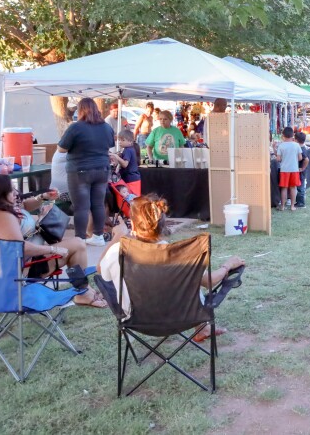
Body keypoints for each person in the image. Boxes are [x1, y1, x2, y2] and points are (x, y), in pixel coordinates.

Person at [98, 194, 244, 338]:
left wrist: (117, 238)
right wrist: (228, 265)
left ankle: (202, 329)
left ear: (133, 224)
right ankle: (202, 327)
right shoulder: (177, 253)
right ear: (162, 224)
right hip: (184, 316)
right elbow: (208, 282)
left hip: (136, 319)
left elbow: (100, 270)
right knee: (186, 280)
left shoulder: (117, 251)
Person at [0, 174, 107, 308]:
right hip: (20, 273)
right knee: (78, 244)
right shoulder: (2, 217)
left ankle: (85, 290)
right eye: (11, 190)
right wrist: (53, 249)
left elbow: (24, 206)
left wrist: (42, 197)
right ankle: (84, 293)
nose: (16, 193)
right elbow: (20, 247)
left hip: (9, 269)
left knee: (74, 243)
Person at [58, 98, 115, 247]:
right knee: (98, 204)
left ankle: (80, 240)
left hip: (80, 171)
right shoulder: (106, 127)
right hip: (102, 170)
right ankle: (98, 236)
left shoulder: (76, 127)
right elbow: (110, 144)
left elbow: (61, 149)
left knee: (81, 207)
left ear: (80, 110)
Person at [276, 126, 303, 211]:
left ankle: (282, 206)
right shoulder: (296, 145)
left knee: (284, 188)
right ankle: (292, 206)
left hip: (284, 170)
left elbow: (278, 159)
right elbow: (300, 158)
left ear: (283, 135)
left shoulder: (281, 146)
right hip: (294, 169)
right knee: (293, 187)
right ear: (292, 135)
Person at [109, 129, 141, 196]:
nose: (120, 142)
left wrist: (116, 157)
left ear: (130, 141)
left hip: (131, 179)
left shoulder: (128, 150)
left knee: (131, 198)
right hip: (132, 178)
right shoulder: (129, 149)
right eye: (119, 140)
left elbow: (125, 164)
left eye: (123, 140)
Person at [294, 131, 310, 208]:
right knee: (300, 186)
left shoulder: (301, 149)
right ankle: (299, 201)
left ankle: (301, 202)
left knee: (300, 187)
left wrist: (302, 168)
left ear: (296, 140)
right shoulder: (303, 148)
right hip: (301, 170)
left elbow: (306, 159)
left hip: (301, 170)